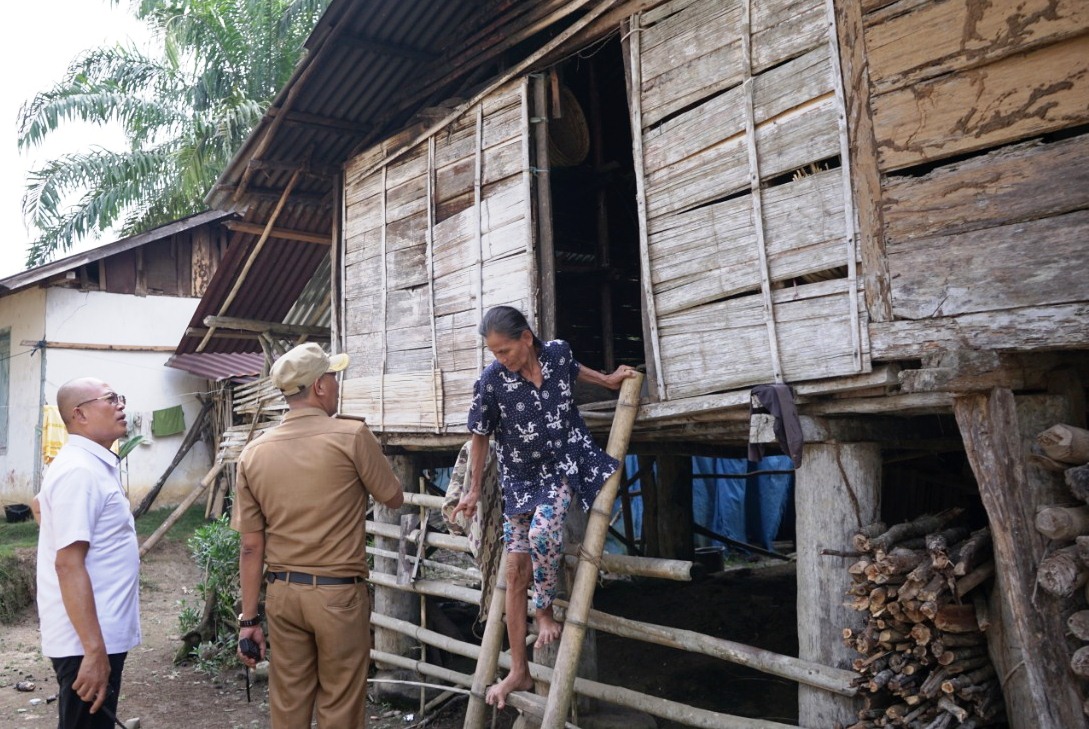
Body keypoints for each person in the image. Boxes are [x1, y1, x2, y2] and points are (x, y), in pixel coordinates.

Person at [451, 306, 636, 708]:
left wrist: (608, 379)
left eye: (505, 350)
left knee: (543, 532)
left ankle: (546, 610)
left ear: (526, 339)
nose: (501, 358)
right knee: (515, 571)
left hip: (563, 463)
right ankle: (518, 670)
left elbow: (576, 370)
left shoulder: (557, 354)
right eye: (495, 353)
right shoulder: (492, 382)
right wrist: (472, 489)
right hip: (519, 478)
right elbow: (480, 434)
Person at [233, 342, 404, 728]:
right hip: (338, 596)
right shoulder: (351, 436)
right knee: (340, 705)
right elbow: (393, 496)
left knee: (288, 706)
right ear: (320, 387)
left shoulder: (253, 453)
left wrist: (249, 620)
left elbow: (250, 545)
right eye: (333, 376)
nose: (337, 384)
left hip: (282, 595)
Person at [36, 378, 140, 729]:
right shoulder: (78, 470)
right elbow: (68, 564)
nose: (121, 406)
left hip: (96, 634)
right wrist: (93, 650)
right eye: (111, 399)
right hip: (85, 641)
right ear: (79, 414)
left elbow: (40, 507)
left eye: (119, 397)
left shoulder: (90, 464)